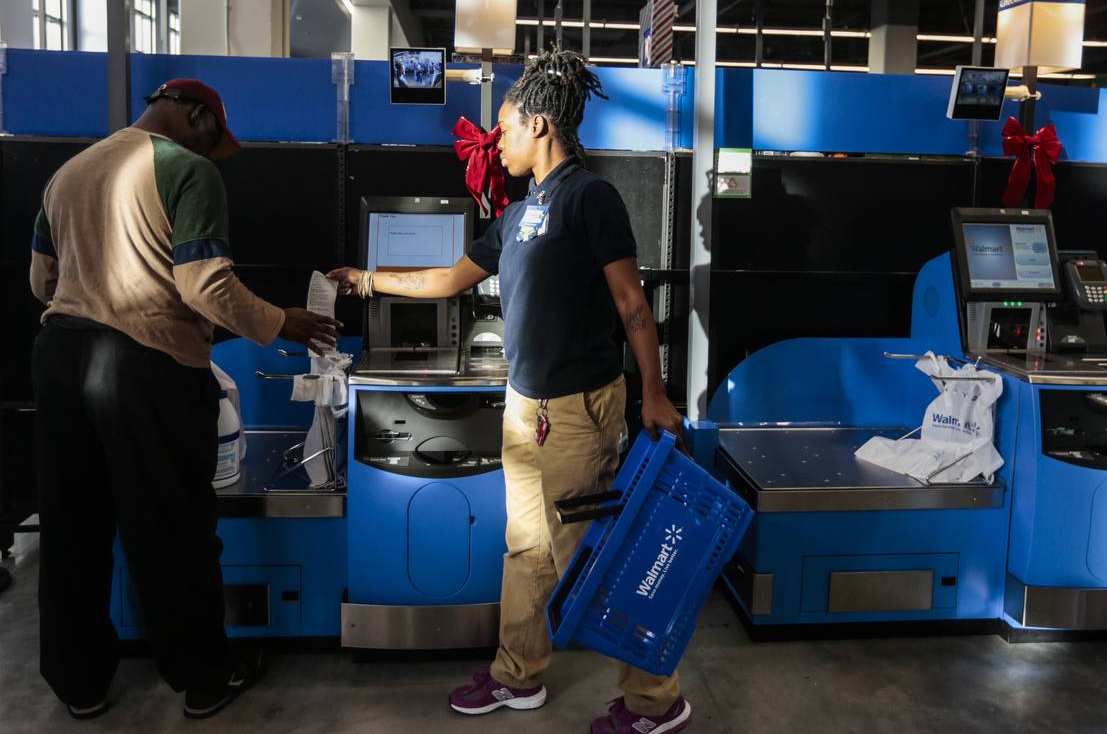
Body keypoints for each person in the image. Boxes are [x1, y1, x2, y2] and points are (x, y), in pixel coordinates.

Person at [327, 50, 692, 734]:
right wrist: (369, 280)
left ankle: (657, 699)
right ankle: (517, 676)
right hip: (527, 410)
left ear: (541, 123)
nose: (498, 140)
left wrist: (655, 393)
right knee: (525, 549)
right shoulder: (521, 213)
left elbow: (631, 304)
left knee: (590, 554)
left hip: (576, 412)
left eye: (506, 126)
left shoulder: (591, 197)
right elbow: (446, 278)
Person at [29, 78, 340, 721]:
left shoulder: (69, 172)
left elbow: (43, 279)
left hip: (60, 360)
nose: (211, 150)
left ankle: (78, 683)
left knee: (71, 527)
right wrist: (284, 321)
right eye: (212, 136)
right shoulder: (186, 169)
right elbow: (204, 285)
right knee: (171, 528)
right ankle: (204, 677)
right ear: (196, 115)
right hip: (142, 368)